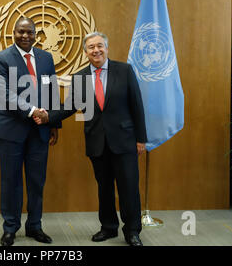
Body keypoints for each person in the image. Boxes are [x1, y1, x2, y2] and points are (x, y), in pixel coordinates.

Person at [34, 32, 147, 246]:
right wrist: (48, 116)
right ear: (85, 52)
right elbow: (70, 106)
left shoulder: (124, 70)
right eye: (91, 47)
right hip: (97, 142)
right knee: (104, 188)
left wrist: (141, 139)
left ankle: (132, 231)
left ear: (106, 48)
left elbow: (137, 105)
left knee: (129, 188)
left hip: (124, 141)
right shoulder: (80, 77)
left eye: (99, 46)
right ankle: (108, 228)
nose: (96, 50)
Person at [0, 17, 61, 246]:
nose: (25, 36)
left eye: (29, 32)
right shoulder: (1, 58)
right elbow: (4, 94)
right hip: (12, 130)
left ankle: (35, 226)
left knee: (36, 181)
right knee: (11, 181)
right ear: (13, 32)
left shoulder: (45, 58)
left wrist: (53, 124)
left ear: (35, 34)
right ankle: (10, 228)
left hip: (40, 131)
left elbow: (51, 91)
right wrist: (32, 111)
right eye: (21, 32)